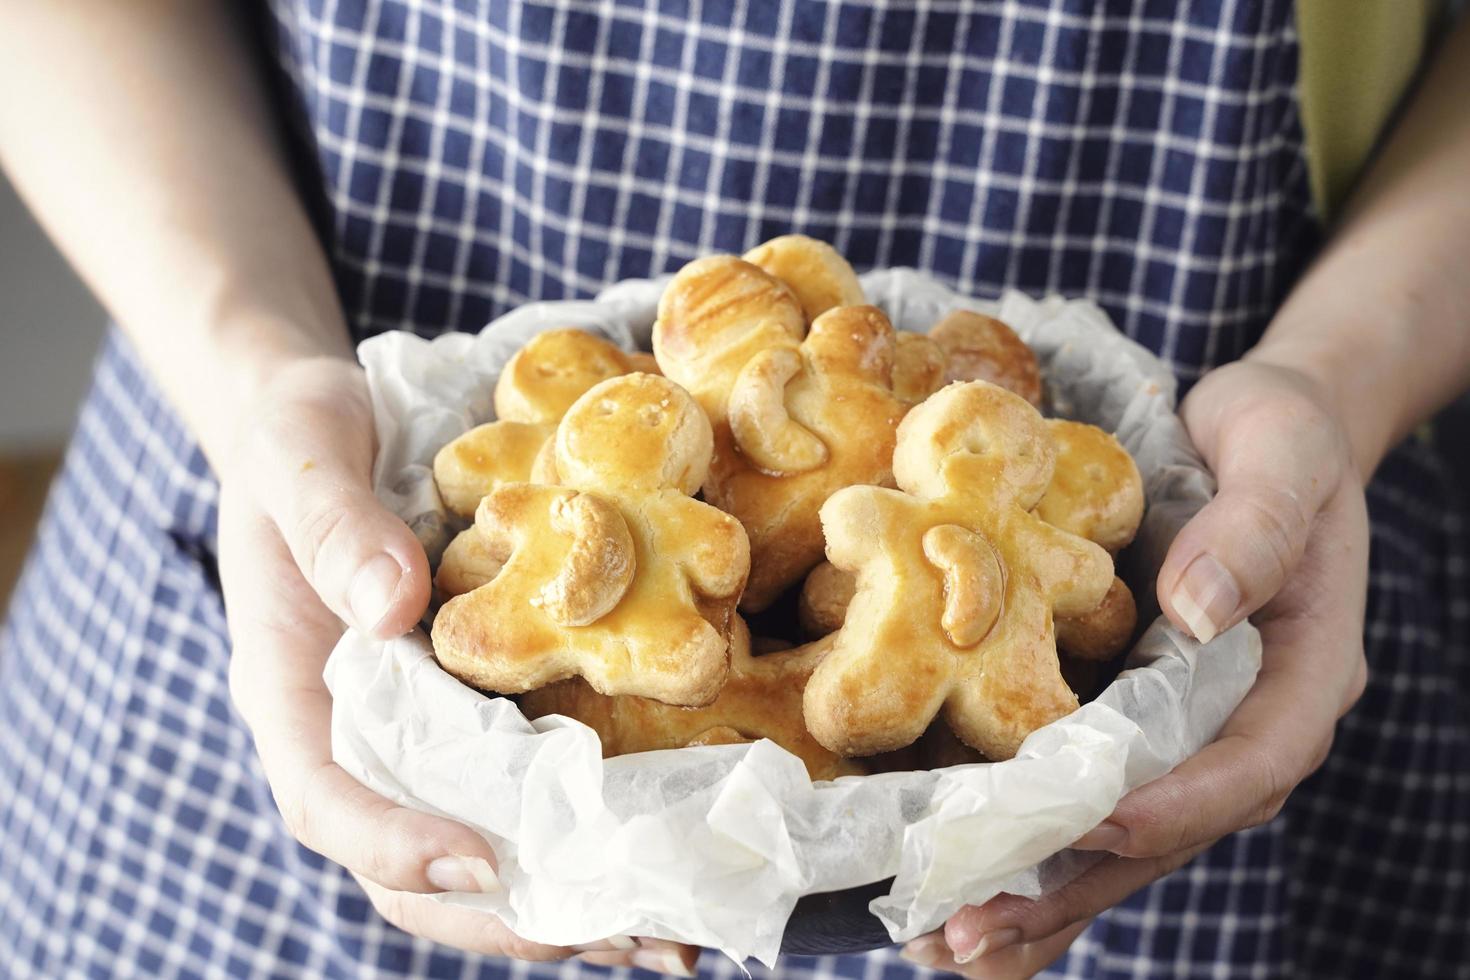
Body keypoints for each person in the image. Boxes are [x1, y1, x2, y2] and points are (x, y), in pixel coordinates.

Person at [0, 2, 1466, 977]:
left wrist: (1342, 373)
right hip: (303, 516)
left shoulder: (927, 495)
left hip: (1244, 511)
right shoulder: (582, 502)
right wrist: (254, 368)